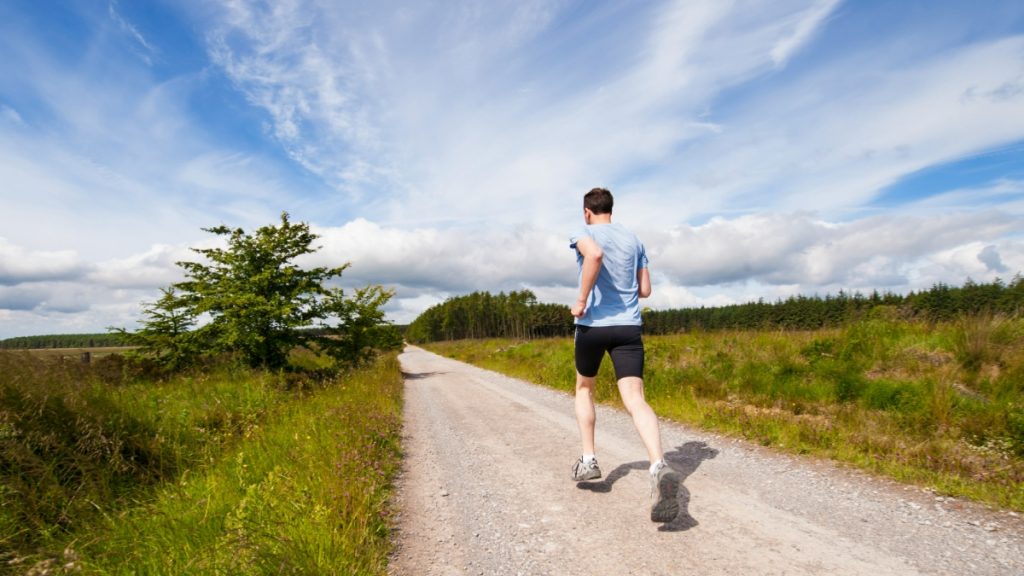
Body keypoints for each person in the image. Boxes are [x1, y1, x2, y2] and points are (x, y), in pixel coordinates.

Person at [568, 187, 678, 522]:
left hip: (593, 326)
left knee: (585, 388)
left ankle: (589, 461)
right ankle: (658, 464)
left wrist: (582, 300)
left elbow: (595, 255)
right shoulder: (634, 240)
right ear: (610, 210)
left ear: (587, 212)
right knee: (635, 398)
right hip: (629, 327)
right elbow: (644, 290)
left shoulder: (583, 232)